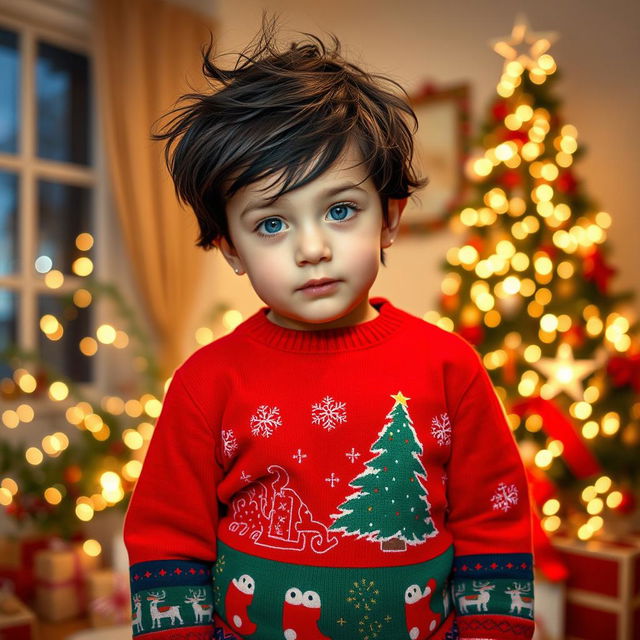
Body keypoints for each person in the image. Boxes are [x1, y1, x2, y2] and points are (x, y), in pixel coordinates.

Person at [123, 14, 534, 640]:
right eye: (271, 224)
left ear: (389, 219)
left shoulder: (451, 367)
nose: (311, 248)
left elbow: (493, 523)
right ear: (229, 248)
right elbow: (165, 546)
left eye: (340, 210)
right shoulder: (205, 383)